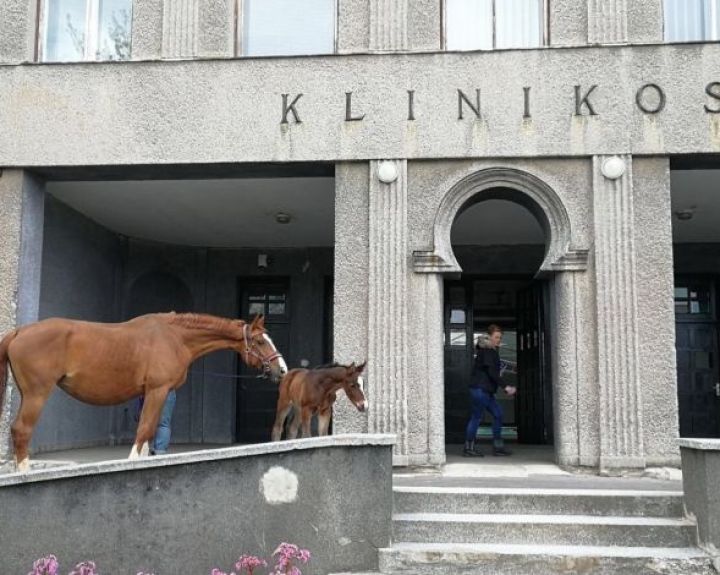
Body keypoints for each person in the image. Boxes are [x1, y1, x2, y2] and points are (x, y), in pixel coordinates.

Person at [464, 324, 517, 457]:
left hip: (484, 390)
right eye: (496, 337)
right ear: (489, 337)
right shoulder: (488, 351)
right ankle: (469, 448)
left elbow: (492, 372)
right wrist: (506, 387)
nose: (498, 339)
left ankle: (497, 447)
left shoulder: (489, 350)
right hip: (480, 390)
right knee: (477, 417)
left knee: (498, 414)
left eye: (500, 337)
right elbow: (492, 372)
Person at [136, 389, 177, 455]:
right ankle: (159, 451)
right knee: (163, 424)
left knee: (149, 423)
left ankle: (151, 449)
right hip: (167, 390)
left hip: (151, 391)